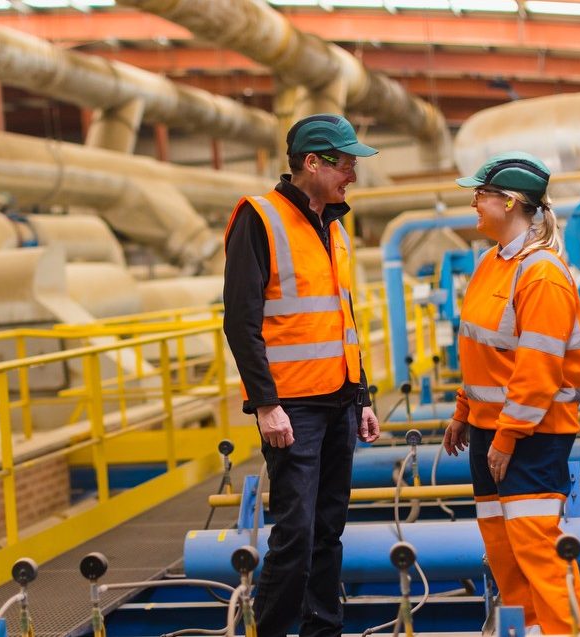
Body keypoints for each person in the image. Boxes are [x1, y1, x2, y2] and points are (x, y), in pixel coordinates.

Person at [222, 113, 381, 637]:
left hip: (339, 399)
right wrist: (265, 406)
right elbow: (240, 321)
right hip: (292, 408)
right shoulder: (259, 218)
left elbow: (343, 316)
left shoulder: (334, 225)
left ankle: (322, 631)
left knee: (328, 531)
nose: (352, 175)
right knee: (295, 533)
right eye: (346, 164)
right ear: (311, 163)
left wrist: (364, 397)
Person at [441, 151, 580, 635]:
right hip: (489, 432)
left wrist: (507, 438)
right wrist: (464, 411)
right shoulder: (491, 263)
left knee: (539, 551)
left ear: (508, 202)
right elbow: (483, 350)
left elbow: (539, 369)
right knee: (504, 553)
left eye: (479, 196)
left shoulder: (542, 274)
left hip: (532, 436)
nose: (474, 205)